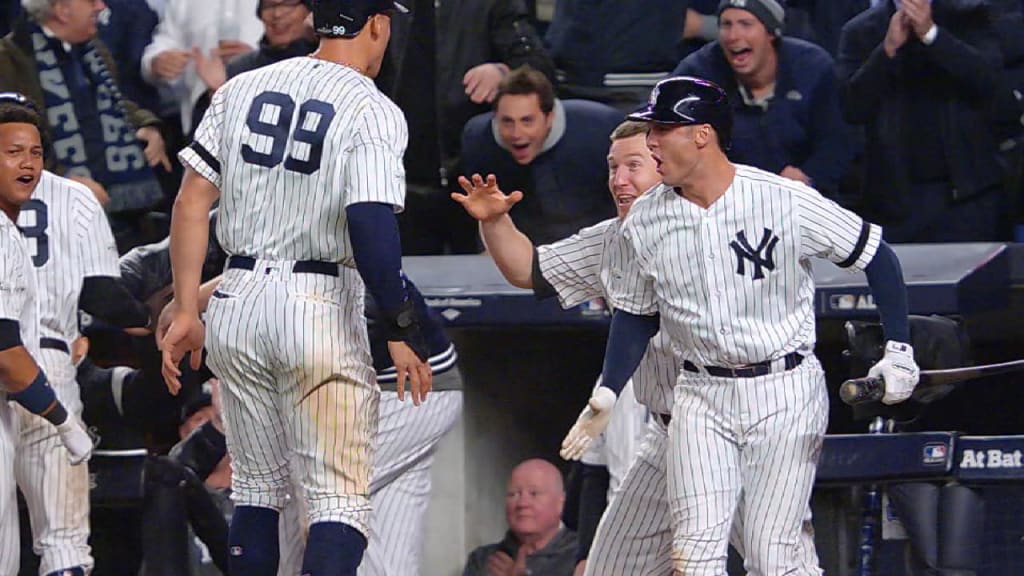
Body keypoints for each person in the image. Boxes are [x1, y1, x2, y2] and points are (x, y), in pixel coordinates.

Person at [586, 75, 919, 574]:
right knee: (694, 556)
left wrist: (899, 349)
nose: (651, 139)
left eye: (662, 128)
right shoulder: (644, 220)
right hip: (699, 392)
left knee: (770, 553)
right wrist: (609, 390)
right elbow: (636, 313)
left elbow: (875, 254)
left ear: (701, 134)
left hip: (782, 391)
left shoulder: (781, 199)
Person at [158, 1, 433, 575]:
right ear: (378, 26)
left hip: (235, 300)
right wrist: (401, 325)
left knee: (257, 488)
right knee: (339, 498)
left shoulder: (241, 88)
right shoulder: (371, 107)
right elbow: (370, 223)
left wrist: (186, 308)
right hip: (317, 306)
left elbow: (190, 202)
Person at [454, 120, 678, 574]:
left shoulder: (710, 226)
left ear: (666, 166)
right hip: (635, 384)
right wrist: (496, 221)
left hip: (715, 393)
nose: (619, 180)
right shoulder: (611, 238)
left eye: (633, 166)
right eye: (612, 167)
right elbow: (528, 270)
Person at [375, 0, 555, 255]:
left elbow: (539, 66)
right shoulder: (385, 5)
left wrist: (503, 72)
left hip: (474, 182)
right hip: (398, 180)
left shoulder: (489, 5)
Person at [0, 93, 94, 576]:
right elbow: (5, 352)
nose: (28, 164)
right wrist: (62, 418)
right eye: (14, 151)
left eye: (35, 153)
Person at [837, 0, 1020, 242]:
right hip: (895, 204)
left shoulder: (969, 16)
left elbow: (990, 84)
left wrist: (932, 35)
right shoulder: (861, 31)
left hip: (967, 197)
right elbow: (852, 107)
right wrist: (887, 51)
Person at [1, 0, 171, 249]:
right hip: (48, 224)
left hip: (119, 209)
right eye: (91, 1)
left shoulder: (95, 52)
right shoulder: (8, 62)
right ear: (62, 10)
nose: (101, 7)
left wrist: (146, 125)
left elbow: (115, 103)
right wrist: (65, 182)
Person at [672, 0, 859, 197]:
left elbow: (839, 138)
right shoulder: (701, 69)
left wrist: (808, 176)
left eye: (746, 24)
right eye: (726, 25)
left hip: (807, 199)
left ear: (771, 32)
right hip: (727, 199)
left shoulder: (812, 67)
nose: (734, 36)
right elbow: (660, 112)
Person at [460, 66, 622, 245]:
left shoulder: (600, 127)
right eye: (507, 121)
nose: (516, 133)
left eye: (527, 121)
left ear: (549, 117)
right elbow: (484, 215)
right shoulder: (477, 137)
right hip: (522, 253)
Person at [462, 459, 578, 576]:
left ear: (560, 503)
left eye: (534, 493)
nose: (522, 504)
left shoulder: (583, 557)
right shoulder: (483, 560)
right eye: (513, 494)